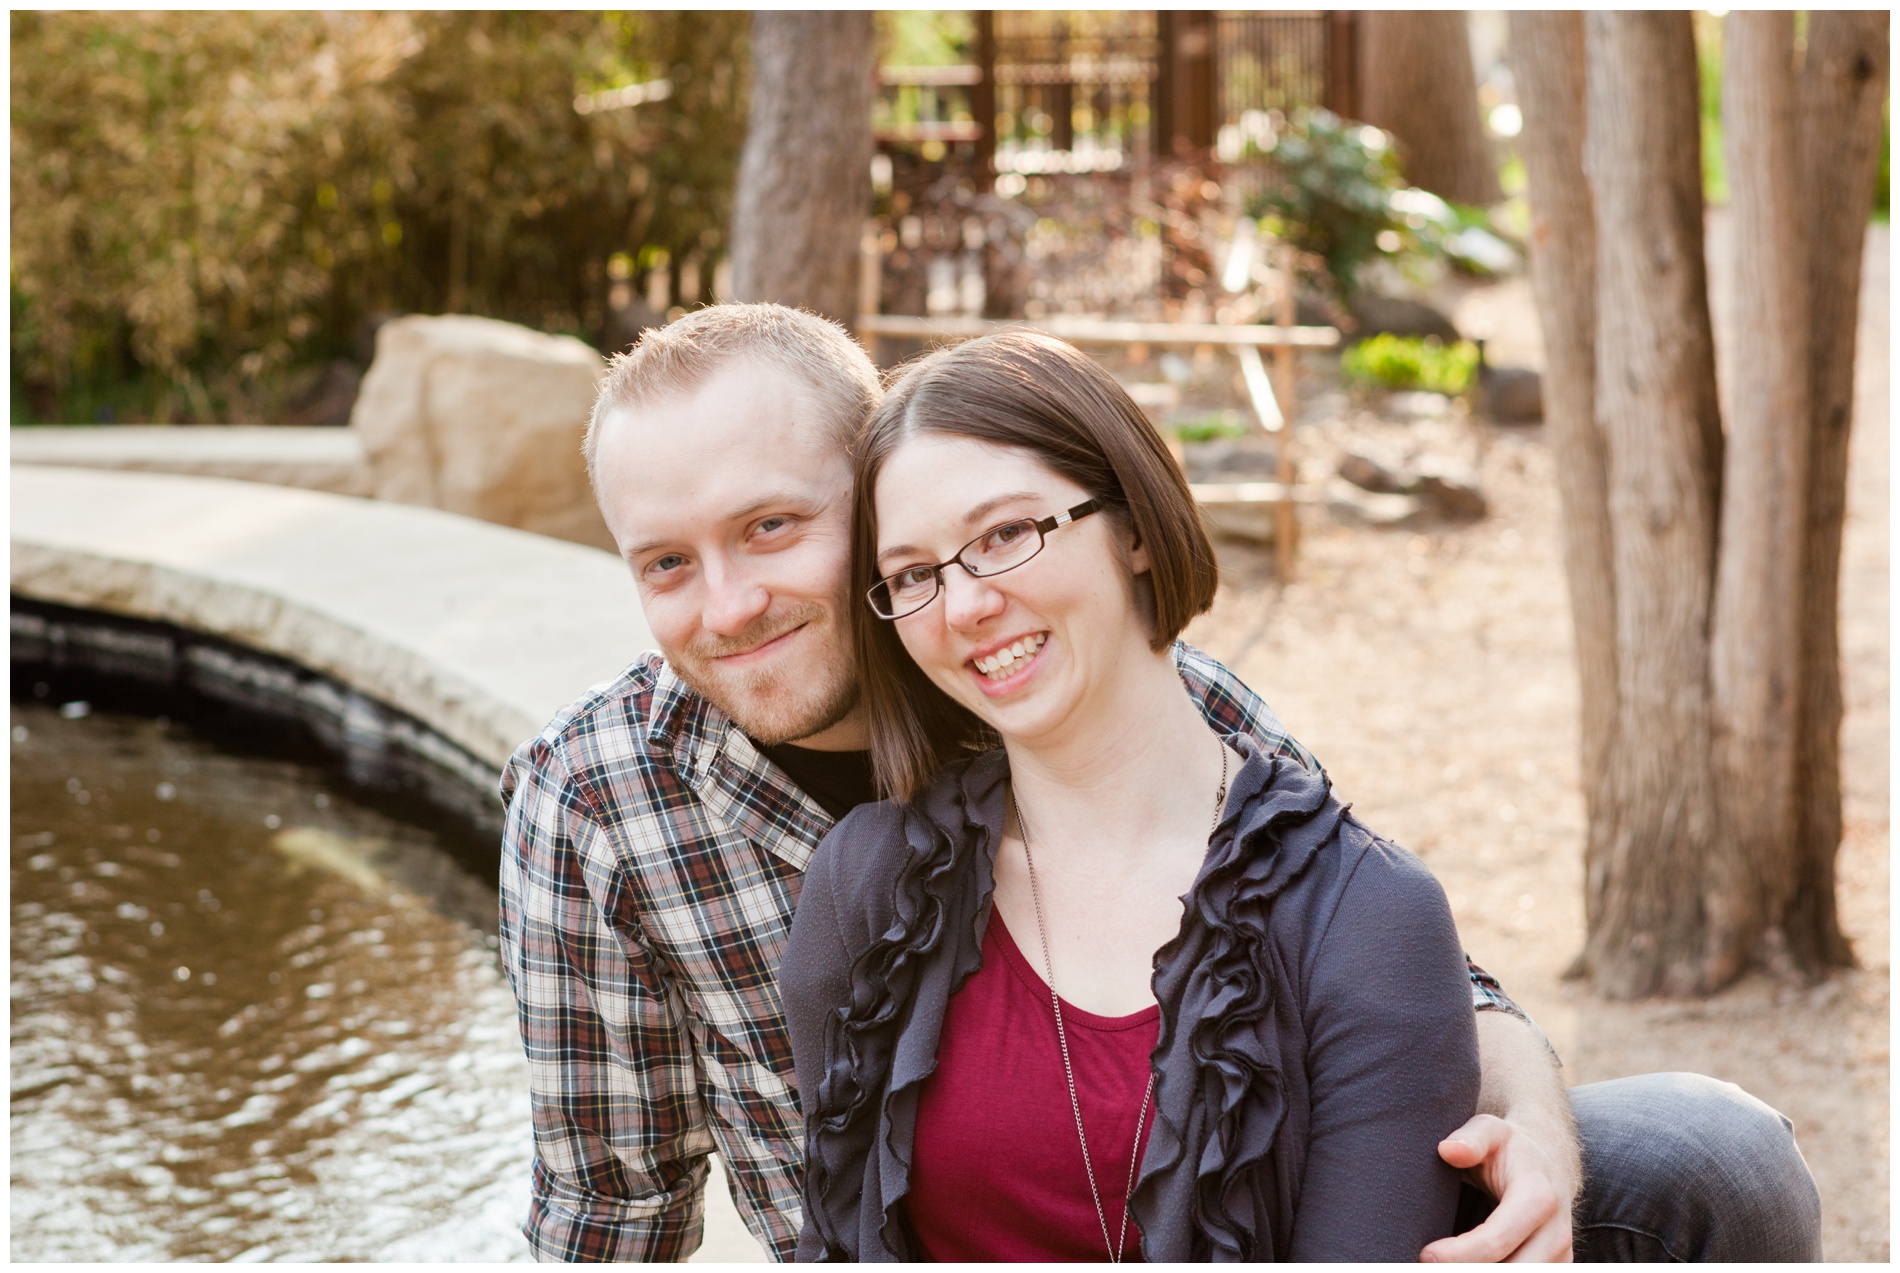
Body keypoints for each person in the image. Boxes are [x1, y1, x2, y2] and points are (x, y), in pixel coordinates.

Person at [497, 302, 1822, 1262]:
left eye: (771, 527)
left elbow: (1380, 956)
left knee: (1701, 1155)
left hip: (1256, 1205)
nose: (728, 604)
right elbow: (608, 1211)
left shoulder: (1110, 678)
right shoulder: (601, 797)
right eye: (665, 562)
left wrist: (1529, 1109)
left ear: (881, 489)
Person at [781, 329, 1483, 1260]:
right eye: (914, 574)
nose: (963, 607)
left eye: (1004, 534)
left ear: (1138, 530)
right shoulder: (867, 889)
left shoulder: (1370, 919)